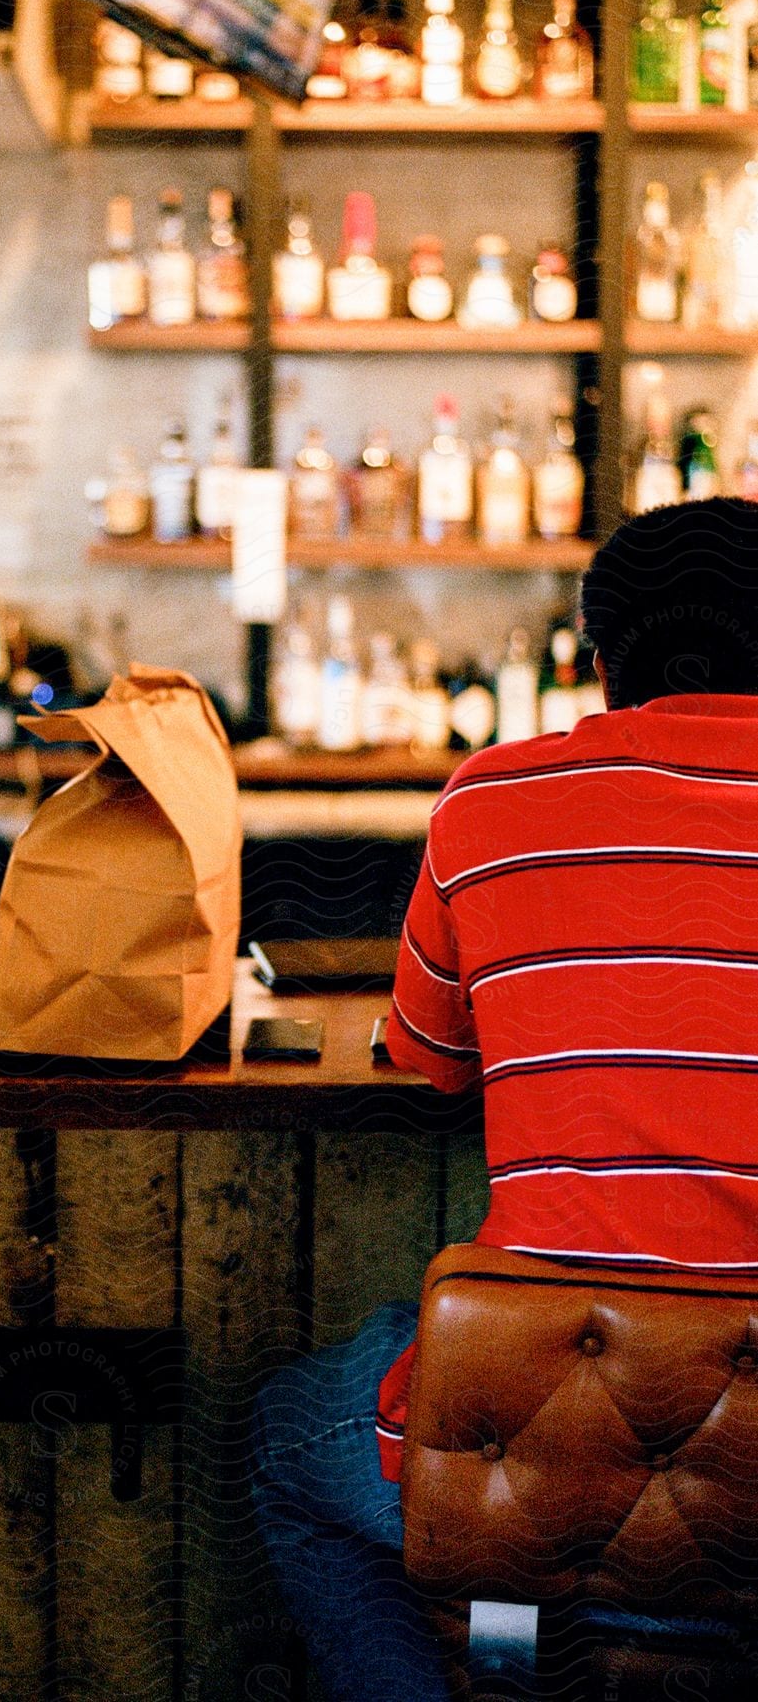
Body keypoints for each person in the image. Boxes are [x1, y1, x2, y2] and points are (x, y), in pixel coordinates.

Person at [252, 498, 758, 1700]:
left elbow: (424, 1057)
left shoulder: (492, 805)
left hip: (540, 1446)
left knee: (284, 1432)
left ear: (595, 658)